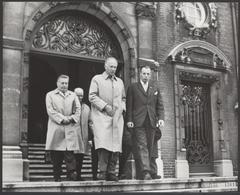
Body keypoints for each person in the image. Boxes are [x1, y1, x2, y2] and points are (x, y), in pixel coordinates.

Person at [89, 57, 126, 181]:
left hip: (117, 117)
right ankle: (102, 172)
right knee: (104, 145)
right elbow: (92, 96)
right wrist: (105, 107)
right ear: (105, 66)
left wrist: (122, 109)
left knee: (116, 146)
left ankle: (111, 172)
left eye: (115, 67)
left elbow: (123, 98)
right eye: (111, 66)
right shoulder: (97, 79)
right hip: (102, 116)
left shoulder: (120, 82)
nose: (113, 69)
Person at [126, 65, 164, 180]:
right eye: (144, 73)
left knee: (151, 146)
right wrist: (129, 120)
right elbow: (129, 106)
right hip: (138, 121)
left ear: (150, 75)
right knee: (142, 146)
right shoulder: (133, 87)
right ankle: (145, 172)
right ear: (140, 74)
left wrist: (161, 118)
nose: (146, 76)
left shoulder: (155, 88)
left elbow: (160, 105)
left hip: (151, 121)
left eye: (148, 74)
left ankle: (152, 171)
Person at [45, 74, 81, 182]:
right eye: (62, 83)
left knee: (69, 153)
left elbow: (78, 110)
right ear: (57, 83)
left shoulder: (73, 95)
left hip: (69, 128)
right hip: (57, 128)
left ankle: (71, 174)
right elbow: (50, 111)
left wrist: (71, 118)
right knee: (56, 155)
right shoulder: (50, 95)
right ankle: (57, 176)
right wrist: (62, 119)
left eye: (66, 83)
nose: (64, 85)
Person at [73, 88, 93, 181]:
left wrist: (91, 137)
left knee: (80, 157)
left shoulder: (87, 108)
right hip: (73, 136)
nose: (80, 97)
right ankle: (72, 175)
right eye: (78, 95)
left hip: (83, 136)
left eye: (81, 95)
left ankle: (79, 175)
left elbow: (90, 123)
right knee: (72, 158)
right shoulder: (70, 106)